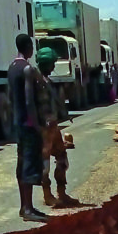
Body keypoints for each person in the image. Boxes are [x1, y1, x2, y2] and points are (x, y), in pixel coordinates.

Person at [8, 33, 47, 222]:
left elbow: (11, 97)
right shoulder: (27, 69)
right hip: (28, 124)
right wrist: (37, 126)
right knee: (30, 165)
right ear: (28, 47)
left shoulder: (12, 68)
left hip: (17, 123)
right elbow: (29, 101)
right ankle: (28, 208)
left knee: (21, 163)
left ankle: (24, 206)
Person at [35, 47, 79, 209]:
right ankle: (48, 195)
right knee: (44, 164)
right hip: (44, 128)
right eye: (52, 63)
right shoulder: (37, 82)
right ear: (45, 63)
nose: (54, 66)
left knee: (62, 159)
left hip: (53, 126)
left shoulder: (47, 81)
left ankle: (62, 192)